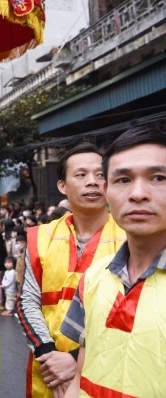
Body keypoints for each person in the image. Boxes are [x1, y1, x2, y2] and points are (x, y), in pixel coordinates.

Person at [61, 127, 166, 397]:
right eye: (123, 180)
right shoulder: (94, 277)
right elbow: (79, 376)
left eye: (158, 177)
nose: (138, 194)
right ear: (106, 191)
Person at [17, 142, 126, 398]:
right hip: (48, 371)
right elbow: (28, 302)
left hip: (105, 369)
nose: (92, 182)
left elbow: (132, 312)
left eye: (100, 175)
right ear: (62, 186)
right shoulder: (41, 237)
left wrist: (75, 359)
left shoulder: (129, 236)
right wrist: (48, 355)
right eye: (81, 175)